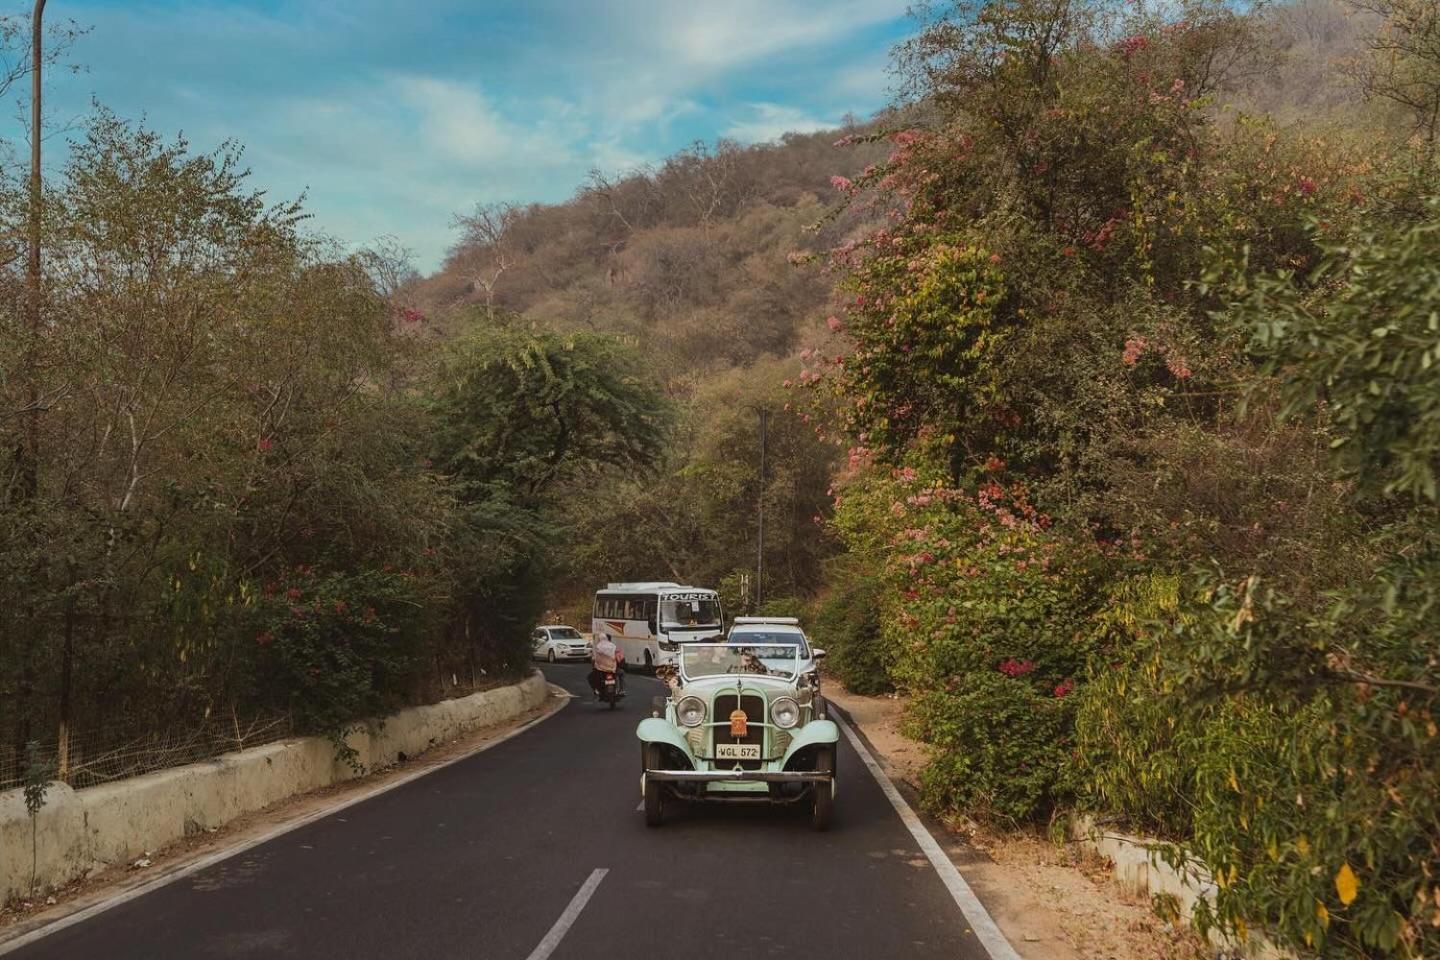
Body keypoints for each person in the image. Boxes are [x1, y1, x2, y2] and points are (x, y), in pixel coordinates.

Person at [590, 633, 626, 698]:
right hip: (613, 669)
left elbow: (593, 659)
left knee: (592, 677)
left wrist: (594, 666)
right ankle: (622, 690)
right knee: (622, 673)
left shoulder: (598, 646)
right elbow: (620, 657)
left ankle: (597, 690)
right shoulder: (613, 646)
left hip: (601, 670)